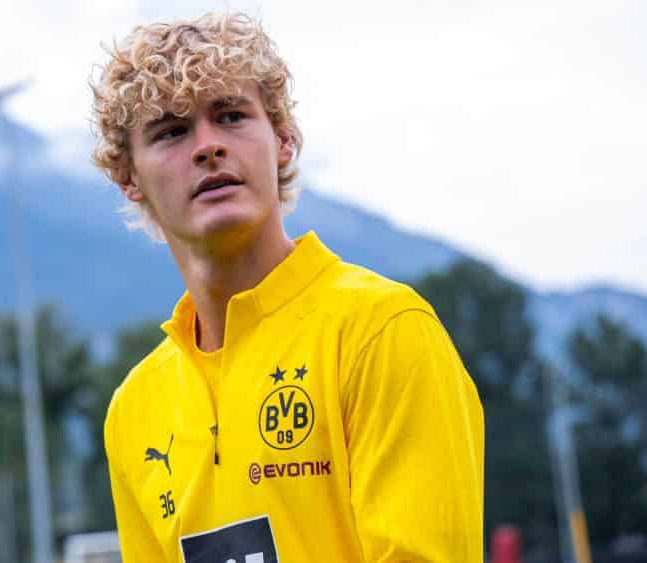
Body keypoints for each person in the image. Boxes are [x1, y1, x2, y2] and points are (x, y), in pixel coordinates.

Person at [90, 12, 484, 562]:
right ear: (128, 178)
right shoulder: (133, 408)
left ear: (282, 140)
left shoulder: (382, 331)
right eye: (171, 131)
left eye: (230, 116)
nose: (208, 146)